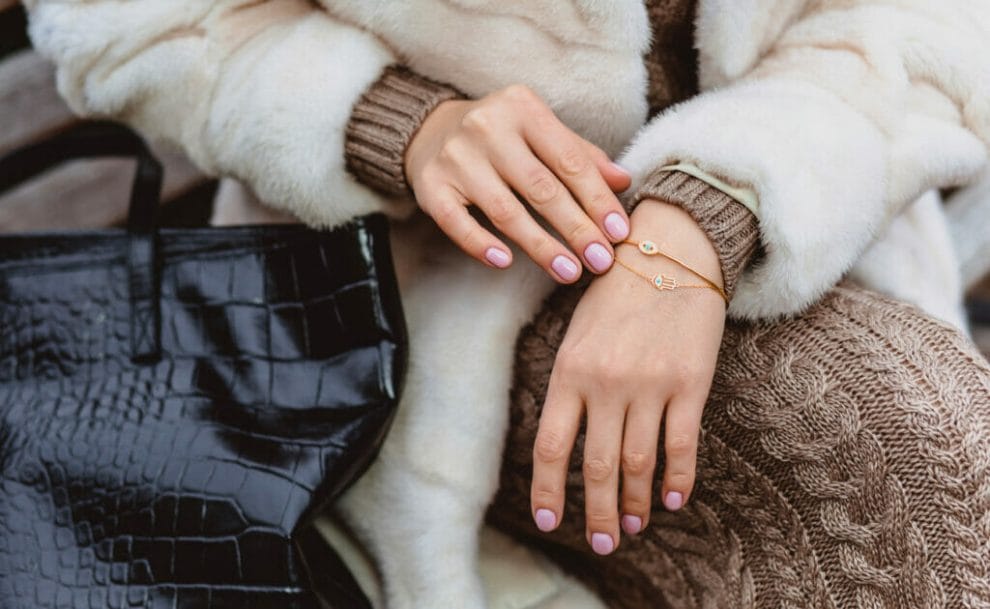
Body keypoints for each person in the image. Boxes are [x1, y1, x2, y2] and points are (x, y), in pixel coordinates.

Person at [23, 0, 990, 607]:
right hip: (422, 311)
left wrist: (710, 211)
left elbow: (937, 25)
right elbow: (118, 18)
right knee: (894, 447)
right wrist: (393, 120)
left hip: (814, 229)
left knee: (924, 450)